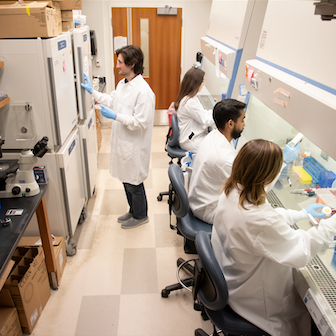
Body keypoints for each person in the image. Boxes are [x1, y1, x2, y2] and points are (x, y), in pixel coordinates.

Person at [211, 139, 336, 336]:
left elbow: (266, 216)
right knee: (302, 320)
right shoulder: (259, 219)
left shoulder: (233, 189)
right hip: (252, 303)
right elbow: (302, 250)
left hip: (232, 278)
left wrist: (301, 213)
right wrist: (332, 224)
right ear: (266, 176)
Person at [81, 45, 155, 229]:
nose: (117, 65)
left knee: (134, 183)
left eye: (120, 62)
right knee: (126, 180)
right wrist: (92, 92)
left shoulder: (144, 92)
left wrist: (115, 116)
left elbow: (140, 122)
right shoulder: (123, 84)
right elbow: (112, 100)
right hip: (123, 143)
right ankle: (133, 210)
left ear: (132, 64)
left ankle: (140, 215)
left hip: (134, 146)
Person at [188, 99, 246, 224]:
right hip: (208, 210)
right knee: (253, 217)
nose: (244, 125)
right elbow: (249, 190)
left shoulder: (213, 135)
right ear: (230, 124)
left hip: (200, 199)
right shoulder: (224, 159)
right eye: (242, 120)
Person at [174, 67, 215, 153]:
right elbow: (205, 120)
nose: (203, 84)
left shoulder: (190, 98)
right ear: (195, 83)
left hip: (191, 137)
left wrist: (215, 112)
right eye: (202, 81)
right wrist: (221, 117)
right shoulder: (189, 102)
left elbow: (202, 113)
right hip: (191, 141)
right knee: (215, 149)